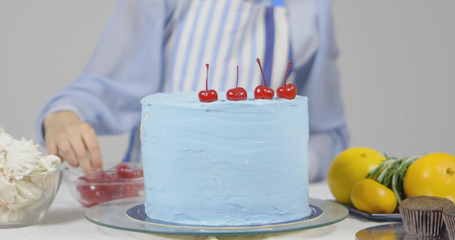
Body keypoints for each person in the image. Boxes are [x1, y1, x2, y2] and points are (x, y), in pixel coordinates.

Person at [36, 0, 349, 182]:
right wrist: (65, 113)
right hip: (152, 202)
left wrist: (292, 164)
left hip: (255, 216)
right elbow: (109, 84)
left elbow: (327, 131)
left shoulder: (311, 8)